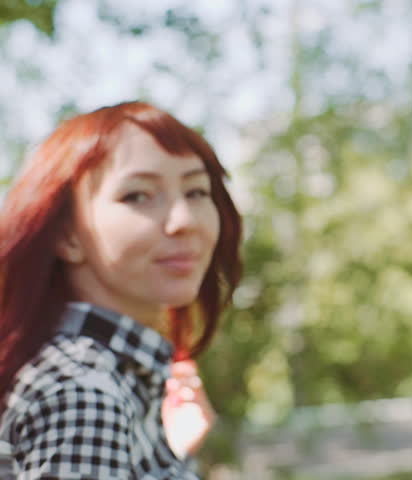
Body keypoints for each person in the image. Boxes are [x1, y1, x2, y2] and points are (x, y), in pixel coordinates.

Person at [0, 101, 242, 478]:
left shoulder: (97, 381)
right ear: (66, 235)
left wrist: (174, 454)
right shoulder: (85, 394)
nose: (184, 221)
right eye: (138, 195)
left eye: (196, 191)